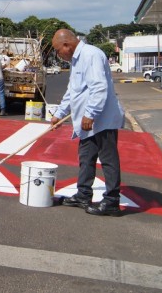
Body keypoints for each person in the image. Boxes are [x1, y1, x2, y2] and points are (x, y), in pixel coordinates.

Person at [50, 29, 125, 216]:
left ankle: (112, 201)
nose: (59, 55)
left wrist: (90, 114)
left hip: (101, 119)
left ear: (67, 45)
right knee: (86, 157)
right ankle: (83, 194)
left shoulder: (91, 55)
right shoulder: (77, 59)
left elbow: (99, 87)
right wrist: (59, 113)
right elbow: (73, 91)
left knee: (108, 159)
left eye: (58, 51)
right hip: (88, 121)